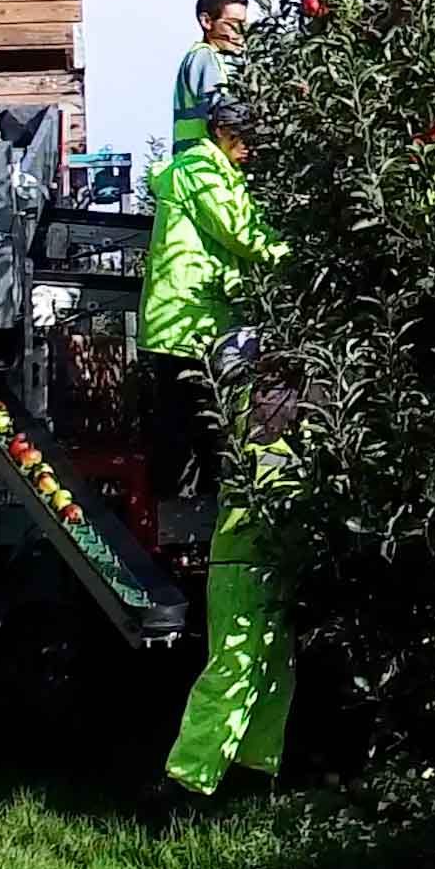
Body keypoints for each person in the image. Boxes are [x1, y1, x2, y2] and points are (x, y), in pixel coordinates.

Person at [152, 94, 294, 795]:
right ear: (222, 133)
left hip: (202, 328)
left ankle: (244, 774)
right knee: (193, 443)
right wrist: (299, 258)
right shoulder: (202, 172)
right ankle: (194, 786)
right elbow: (243, 235)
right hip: (190, 330)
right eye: (245, 139)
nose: (249, 151)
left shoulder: (216, 171)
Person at [175, 0, 252, 138]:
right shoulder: (205, 57)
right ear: (207, 21)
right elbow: (225, 113)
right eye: (232, 23)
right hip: (206, 157)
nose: (240, 31)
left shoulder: (204, 58)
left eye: (243, 23)